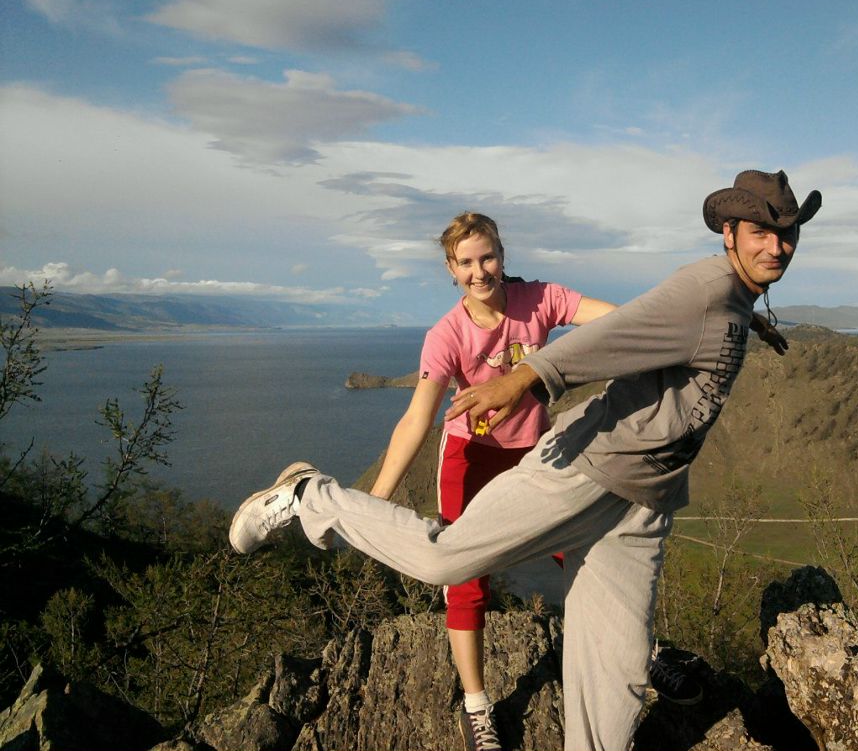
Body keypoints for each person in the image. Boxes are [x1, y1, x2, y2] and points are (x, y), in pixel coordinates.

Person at [229, 169, 819, 751]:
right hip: (576, 468)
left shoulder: (722, 299)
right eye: (761, 232)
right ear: (729, 233)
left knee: (618, 673)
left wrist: (744, 316)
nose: (776, 246)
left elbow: (629, 319)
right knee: (446, 561)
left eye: (786, 233)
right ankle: (310, 494)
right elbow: (615, 335)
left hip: (641, 501)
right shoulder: (702, 288)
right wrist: (525, 379)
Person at [364, 211, 614, 750]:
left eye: (488, 258)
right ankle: (477, 708)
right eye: (466, 263)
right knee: (465, 576)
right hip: (470, 457)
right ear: (450, 269)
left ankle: (638, 653)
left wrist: (685, 322)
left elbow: (614, 320)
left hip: (536, 453)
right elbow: (417, 418)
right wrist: (376, 500)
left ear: (502, 256)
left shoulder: (540, 299)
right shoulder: (446, 335)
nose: (479, 272)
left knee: (586, 553)